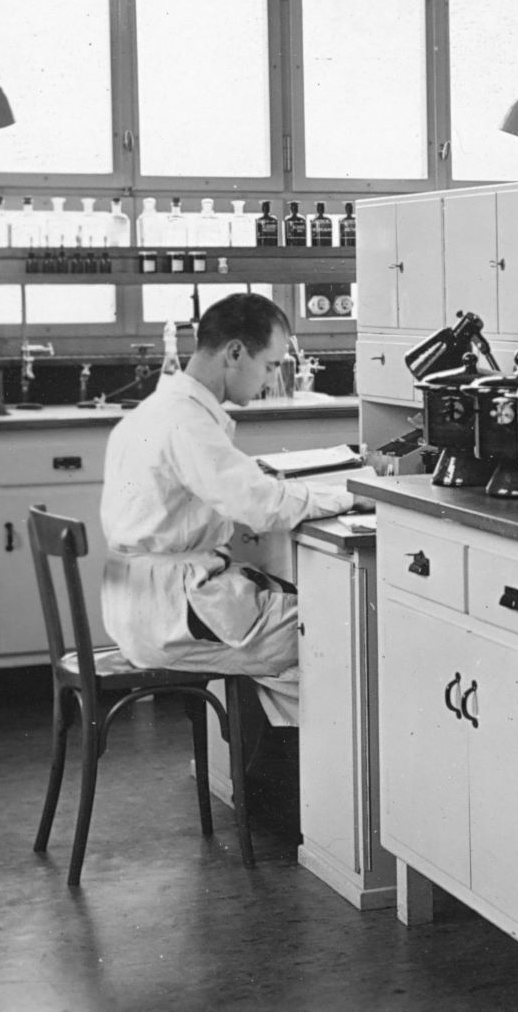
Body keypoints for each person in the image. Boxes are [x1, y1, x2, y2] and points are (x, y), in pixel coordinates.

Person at [99, 293, 360, 728]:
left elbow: (240, 491)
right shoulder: (187, 421)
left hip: (142, 602)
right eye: (271, 365)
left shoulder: (159, 410)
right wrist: (350, 496)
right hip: (171, 612)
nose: (273, 380)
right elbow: (259, 504)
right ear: (235, 352)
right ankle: (319, 783)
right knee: (344, 625)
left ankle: (278, 773)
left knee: (309, 635)